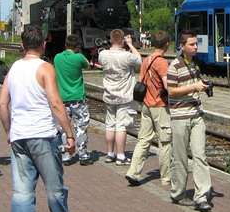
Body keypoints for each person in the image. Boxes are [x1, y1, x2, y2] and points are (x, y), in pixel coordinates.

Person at [0, 25, 84, 212]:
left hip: (19, 137)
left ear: (22, 45)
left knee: (22, 193)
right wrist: (69, 134)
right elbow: (56, 104)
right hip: (43, 136)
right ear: (44, 44)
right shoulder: (46, 68)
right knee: (55, 189)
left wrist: (9, 131)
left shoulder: (13, 69)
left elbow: (2, 104)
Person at [167, 31, 212, 212]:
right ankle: (177, 192)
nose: (195, 47)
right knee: (180, 157)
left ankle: (201, 197)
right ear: (182, 46)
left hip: (196, 114)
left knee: (200, 155)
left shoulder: (195, 64)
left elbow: (193, 83)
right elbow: (171, 91)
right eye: (192, 44)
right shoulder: (174, 66)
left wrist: (202, 84)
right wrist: (193, 87)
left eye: (196, 44)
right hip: (180, 116)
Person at [125, 31, 172, 186]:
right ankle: (166, 177)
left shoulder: (147, 60)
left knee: (144, 140)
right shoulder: (162, 62)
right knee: (165, 142)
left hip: (146, 105)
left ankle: (133, 172)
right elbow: (167, 86)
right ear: (166, 44)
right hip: (159, 105)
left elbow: (141, 80)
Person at [98, 29, 141, 165]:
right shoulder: (127, 56)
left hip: (109, 94)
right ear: (123, 40)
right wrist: (131, 45)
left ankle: (110, 153)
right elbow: (139, 61)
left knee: (110, 125)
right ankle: (121, 155)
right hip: (124, 95)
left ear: (111, 40)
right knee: (121, 126)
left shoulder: (103, 54)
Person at [54, 34, 92, 166]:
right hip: (78, 98)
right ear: (77, 47)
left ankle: (65, 155)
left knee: (64, 127)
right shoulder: (79, 57)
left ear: (65, 45)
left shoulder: (57, 57)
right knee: (81, 126)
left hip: (62, 98)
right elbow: (87, 65)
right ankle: (83, 155)